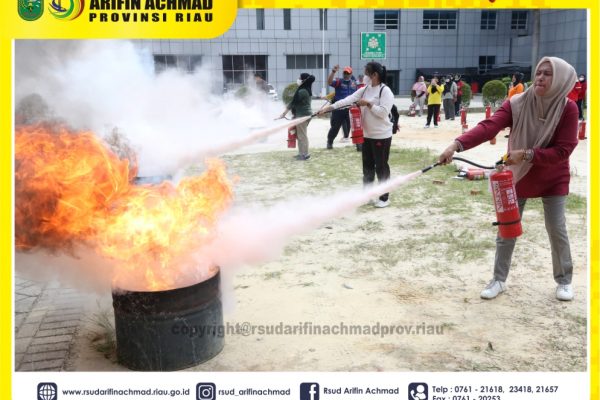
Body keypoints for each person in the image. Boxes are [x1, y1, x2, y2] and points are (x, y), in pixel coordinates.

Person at [438, 56, 579, 301]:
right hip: (519, 173)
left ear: (561, 80)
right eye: (538, 72)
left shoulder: (567, 108)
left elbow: (563, 151)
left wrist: (526, 153)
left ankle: (564, 281)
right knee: (507, 227)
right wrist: (456, 145)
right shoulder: (518, 102)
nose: (540, 77)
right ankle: (499, 279)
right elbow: (489, 126)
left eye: (548, 74)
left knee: (556, 228)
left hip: (553, 175)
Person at [318, 62, 394, 208]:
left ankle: (384, 197)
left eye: (366, 74)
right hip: (366, 135)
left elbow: (383, 113)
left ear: (374, 75)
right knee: (367, 167)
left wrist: (369, 104)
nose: (363, 77)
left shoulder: (385, 91)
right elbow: (347, 100)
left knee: (381, 167)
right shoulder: (365, 89)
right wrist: (330, 107)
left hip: (381, 136)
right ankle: (368, 195)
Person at [280, 73, 315, 161]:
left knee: (302, 135)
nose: (298, 79)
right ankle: (301, 153)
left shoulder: (302, 91)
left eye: (300, 78)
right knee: (300, 135)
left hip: (302, 115)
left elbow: (293, 103)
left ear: (304, 80)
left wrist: (284, 113)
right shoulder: (306, 89)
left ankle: (305, 154)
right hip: (303, 114)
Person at [326, 65, 357, 148]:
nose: (346, 74)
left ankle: (358, 144)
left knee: (352, 127)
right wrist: (333, 72)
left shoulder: (354, 83)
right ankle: (330, 142)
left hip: (350, 109)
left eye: (348, 73)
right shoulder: (339, 81)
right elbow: (329, 82)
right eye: (345, 73)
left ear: (351, 74)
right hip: (339, 108)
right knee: (335, 127)